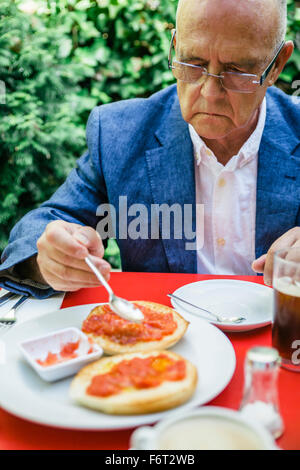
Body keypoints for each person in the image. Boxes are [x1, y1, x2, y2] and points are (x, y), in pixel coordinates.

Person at [0, 0, 299, 299]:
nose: (209, 92)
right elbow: (45, 225)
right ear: (175, 45)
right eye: (193, 63)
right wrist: (52, 257)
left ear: (277, 65)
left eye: (236, 70)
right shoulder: (121, 133)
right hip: (160, 337)